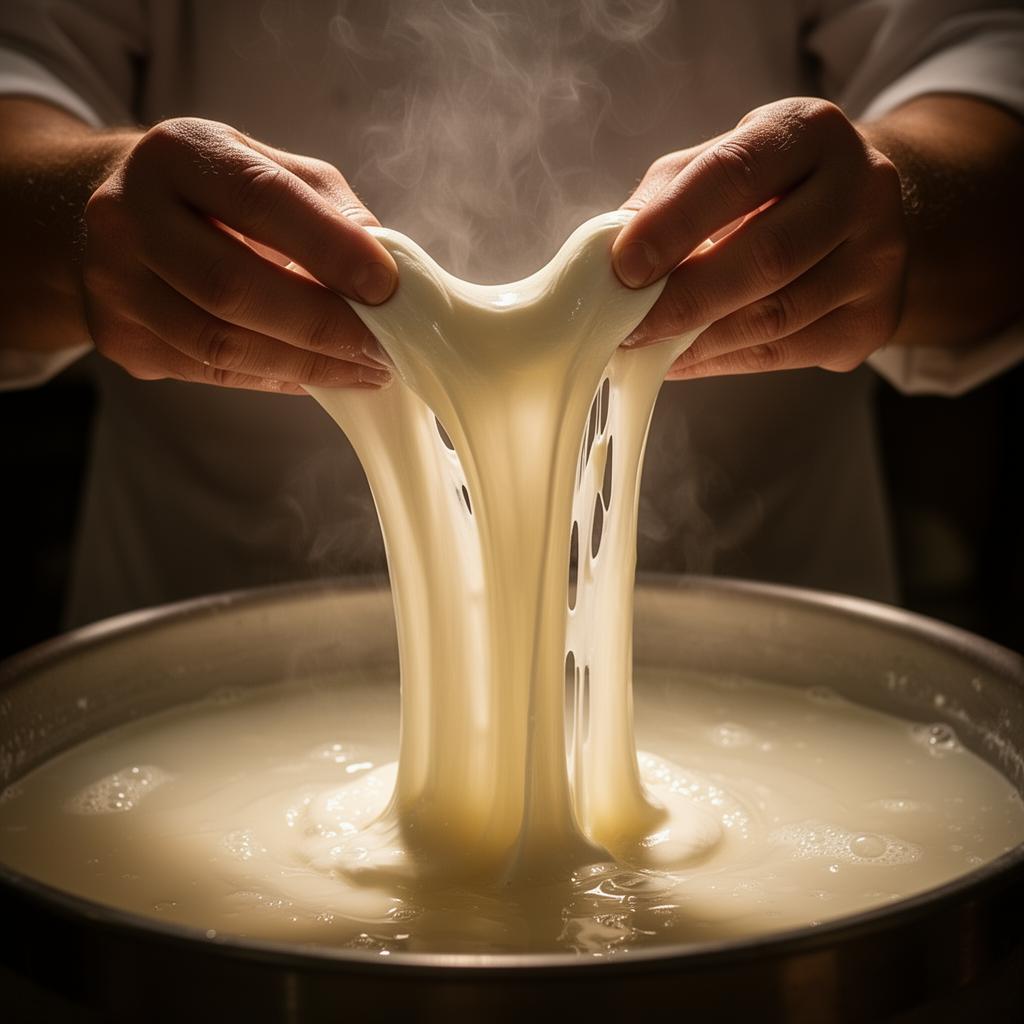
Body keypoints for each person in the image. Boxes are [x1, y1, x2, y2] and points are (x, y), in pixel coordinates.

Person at [1, 0, 1022, 627]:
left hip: (792, 662)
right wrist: (77, 226)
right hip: (192, 653)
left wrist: (903, 214)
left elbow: (985, 65)